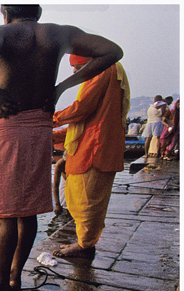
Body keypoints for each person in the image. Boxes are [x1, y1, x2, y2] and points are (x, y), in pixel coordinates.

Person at [0, 4, 123, 291]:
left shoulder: (2, 32)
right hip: (40, 126)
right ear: (37, 12)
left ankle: (1, 282)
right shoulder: (57, 33)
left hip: (9, 128)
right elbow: (112, 51)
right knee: (26, 211)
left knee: (5, 214)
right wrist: (61, 86)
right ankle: (14, 277)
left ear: (5, 12)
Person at [51, 53, 130, 258]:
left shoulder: (102, 69)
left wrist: (50, 118)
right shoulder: (108, 71)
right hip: (93, 145)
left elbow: (82, 109)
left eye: (77, 69)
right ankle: (84, 241)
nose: (75, 73)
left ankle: (85, 245)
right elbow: (85, 121)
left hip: (95, 149)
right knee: (83, 198)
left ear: (87, 64)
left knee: (88, 201)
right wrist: (50, 133)